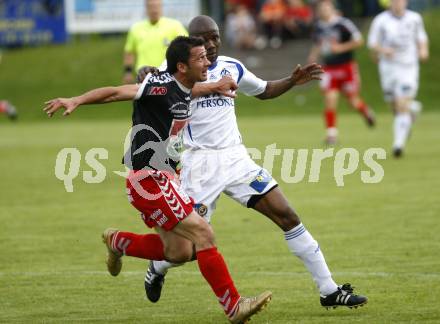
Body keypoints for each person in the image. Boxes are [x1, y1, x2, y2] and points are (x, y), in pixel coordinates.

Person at [139, 15, 368, 310]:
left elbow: (262, 90)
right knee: (188, 249)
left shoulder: (231, 66)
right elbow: (150, 85)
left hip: (237, 159)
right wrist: (144, 73)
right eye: (203, 39)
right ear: (190, 42)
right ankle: (157, 267)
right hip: (199, 165)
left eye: (215, 37)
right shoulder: (175, 69)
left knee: (287, 215)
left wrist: (291, 81)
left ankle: (329, 290)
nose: (210, 44)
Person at [43, 36, 272, 324]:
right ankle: (234, 306)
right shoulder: (158, 86)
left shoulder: (186, 85)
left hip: (166, 177)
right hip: (149, 180)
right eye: (200, 58)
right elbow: (115, 92)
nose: (208, 61)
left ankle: (118, 241)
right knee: (203, 234)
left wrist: (217, 85)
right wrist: (75, 99)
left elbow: (193, 90)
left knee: (178, 252)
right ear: (182, 66)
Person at [307, 0, 375, 145]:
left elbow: (359, 41)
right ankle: (331, 134)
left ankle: (365, 111)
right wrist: (313, 56)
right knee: (330, 99)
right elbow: (318, 43)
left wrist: (341, 48)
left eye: (327, 8)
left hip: (346, 67)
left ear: (332, 9)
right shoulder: (319, 26)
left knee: (352, 101)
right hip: (329, 68)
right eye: (322, 8)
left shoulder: (343, 23)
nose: (324, 11)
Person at [367, 0, 429, 157]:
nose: (397, 3)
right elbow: (372, 43)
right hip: (388, 68)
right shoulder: (380, 20)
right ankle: (411, 111)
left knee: (401, 103)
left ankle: (398, 144)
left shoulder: (415, 18)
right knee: (394, 105)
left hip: (408, 67)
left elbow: (421, 37)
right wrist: (382, 50)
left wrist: (423, 50)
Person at [123, 0, 187, 84]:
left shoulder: (175, 26)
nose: (154, 10)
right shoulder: (136, 28)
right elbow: (129, 52)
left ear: (161, 7)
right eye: (151, 6)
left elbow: (186, 47)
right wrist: (128, 72)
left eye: (157, 6)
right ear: (146, 8)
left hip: (168, 76)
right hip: (143, 77)